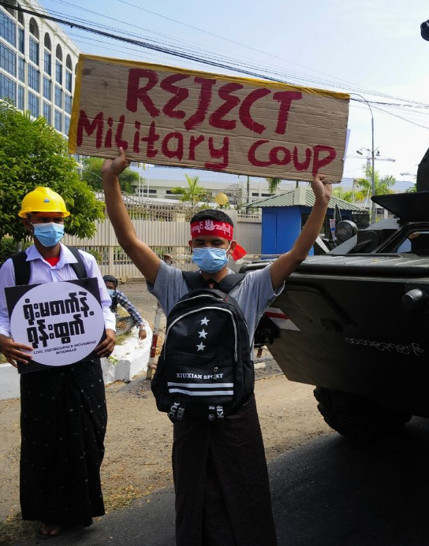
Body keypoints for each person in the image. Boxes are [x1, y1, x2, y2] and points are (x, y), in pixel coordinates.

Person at [101, 147, 332, 545]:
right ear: (191, 245)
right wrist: (110, 180)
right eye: (200, 241)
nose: (207, 247)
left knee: (244, 490)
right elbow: (129, 240)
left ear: (229, 245)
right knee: (193, 491)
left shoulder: (254, 284)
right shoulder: (173, 282)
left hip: (236, 409)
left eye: (214, 241)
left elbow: (297, 252)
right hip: (189, 408)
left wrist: (321, 203)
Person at [0, 187, 116, 539]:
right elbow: (4, 315)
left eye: (56, 220)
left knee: (90, 432)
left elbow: (103, 304)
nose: (51, 225)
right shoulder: (14, 267)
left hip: (84, 364)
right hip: (40, 367)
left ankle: (82, 507)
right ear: (28, 223)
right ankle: (49, 511)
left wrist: (109, 329)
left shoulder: (84, 262)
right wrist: (2, 339)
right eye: (43, 220)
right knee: (45, 438)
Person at [103, 274, 148, 340]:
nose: (107, 290)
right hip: (101, 322)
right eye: (105, 287)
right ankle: (110, 333)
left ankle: (110, 334)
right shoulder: (96, 295)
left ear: (114, 288)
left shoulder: (117, 295)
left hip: (115, 318)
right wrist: (113, 323)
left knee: (133, 319)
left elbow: (131, 308)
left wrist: (142, 328)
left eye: (110, 288)